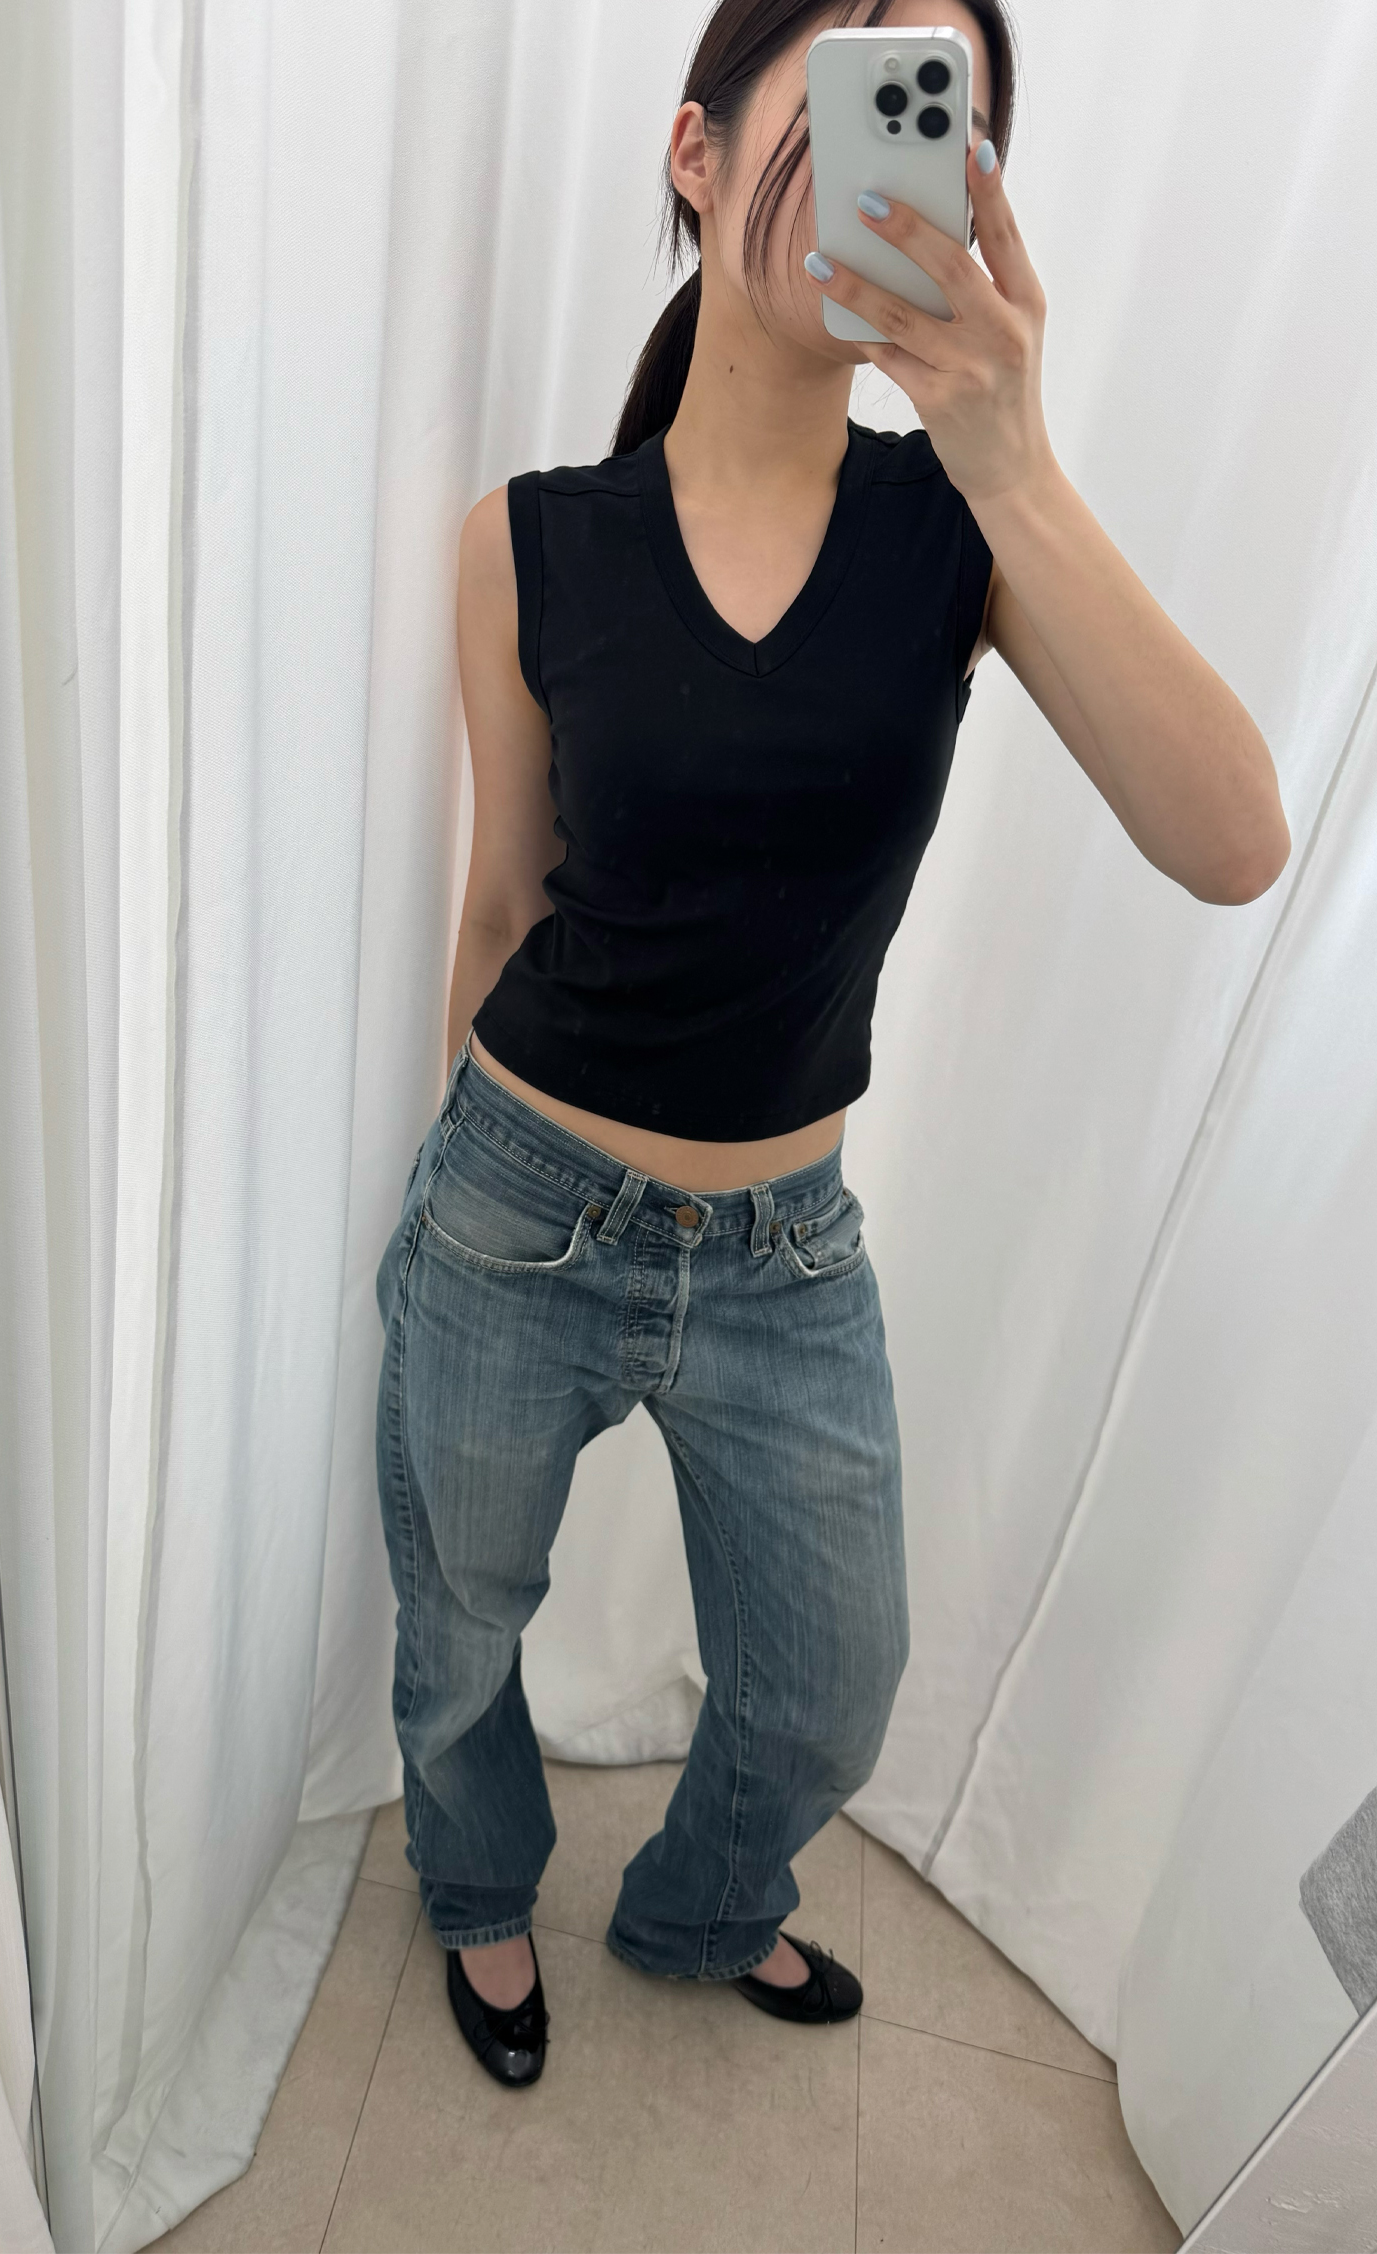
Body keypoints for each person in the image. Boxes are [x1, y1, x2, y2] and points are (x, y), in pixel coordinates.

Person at [374, 0, 1289, 2090]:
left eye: (938, 122)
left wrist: (1011, 451)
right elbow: (502, 897)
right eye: (851, 96)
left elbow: (1234, 839)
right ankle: (478, 1887)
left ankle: (701, 1905)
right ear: (695, 152)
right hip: (512, 1201)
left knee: (826, 1684)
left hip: (786, 1247)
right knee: (461, 1623)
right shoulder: (526, 540)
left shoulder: (957, 534)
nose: (898, 159)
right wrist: (444, 1203)